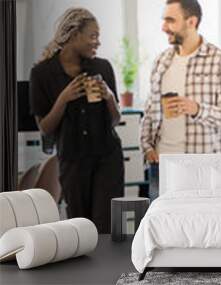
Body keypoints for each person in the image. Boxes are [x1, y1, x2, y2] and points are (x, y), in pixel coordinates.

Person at [29, 8, 124, 233]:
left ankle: (108, 269)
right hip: (72, 160)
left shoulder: (102, 67)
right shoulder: (42, 73)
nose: (98, 42)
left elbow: (115, 119)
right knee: (80, 227)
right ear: (73, 35)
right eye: (93, 36)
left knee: (106, 226)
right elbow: (45, 128)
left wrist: (109, 97)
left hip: (107, 158)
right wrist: (63, 99)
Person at [140, 0, 221, 201]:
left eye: (170, 20)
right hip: (163, 167)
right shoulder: (161, 61)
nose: (163, 27)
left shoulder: (220, 60)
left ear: (191, 21)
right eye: (163, 20)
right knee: (162, 228)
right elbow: (150, 110)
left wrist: (197, 109)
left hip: (203, 168)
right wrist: (147, 147)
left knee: (206, 228)